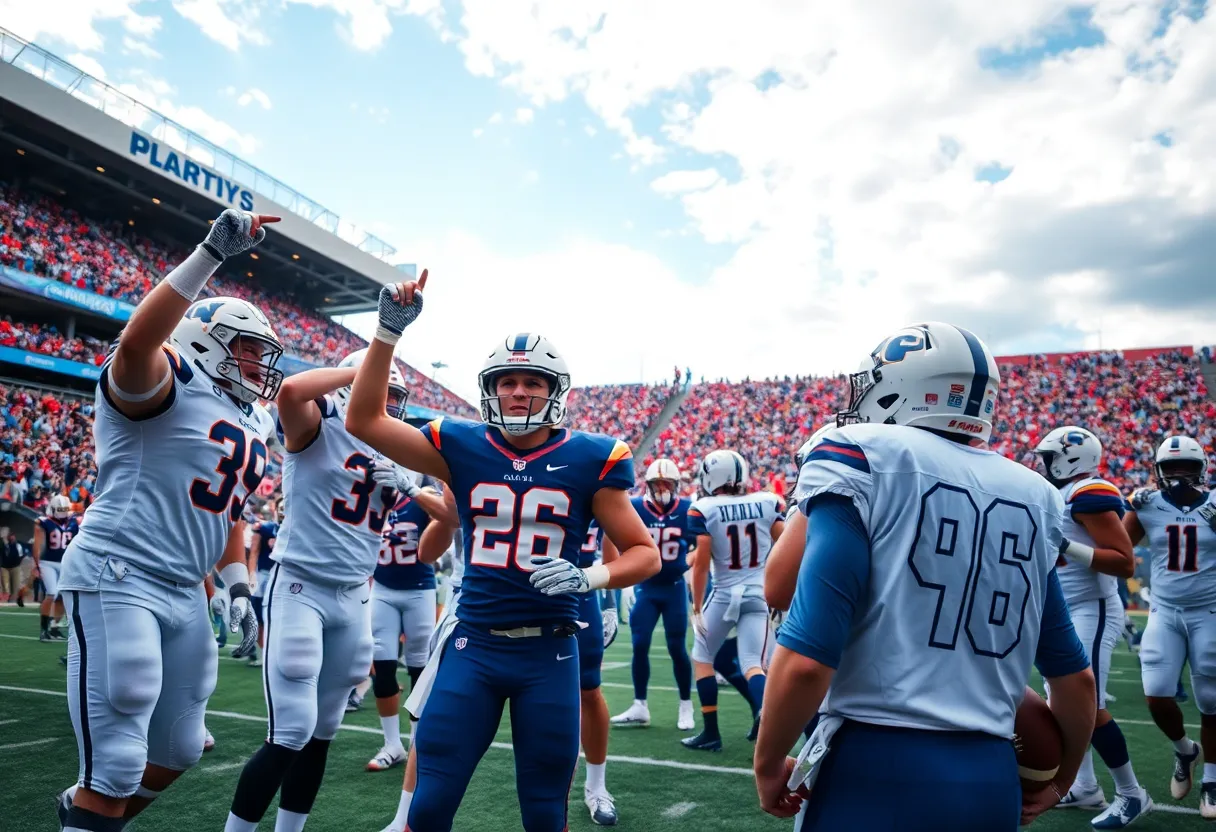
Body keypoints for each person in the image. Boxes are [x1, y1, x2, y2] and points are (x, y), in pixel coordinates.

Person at [344, 274, 660, 832]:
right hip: (475, 644)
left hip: (551, 652)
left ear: (554, 389)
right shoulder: (462, 445)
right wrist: (388, 332)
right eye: (507, 381)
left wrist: (590, 578)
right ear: (491, 389)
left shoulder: (592, 456)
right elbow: (364, 419)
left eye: (532, 382)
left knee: (543, 808)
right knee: (432, 799)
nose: (519, 392)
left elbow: (643, 553)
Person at [755, 322, 1096, 831]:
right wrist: (1062, 780)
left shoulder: (863, 455)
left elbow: (803, 652)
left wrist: (767, 764)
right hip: (991, 777)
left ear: (904, 389)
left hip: (873, 767)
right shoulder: (1038, 495)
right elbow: (1075, 679)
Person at [54, 209, 280, 832]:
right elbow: (135, 344)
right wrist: (211, 252)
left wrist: (237, 584)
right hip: (119, 572)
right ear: (207, 341)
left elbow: (226, 509)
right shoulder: (164, 377)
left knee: (179, 748)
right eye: (251, 350)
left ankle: (91, 817)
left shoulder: (250, 419)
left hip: (186, 589)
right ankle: (92, 807)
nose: (262, 365)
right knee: (120, 759)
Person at [224, 349, 410, 832]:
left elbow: (452, 502)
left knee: (322, 734)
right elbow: (289, 390)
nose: (388, 403)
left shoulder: (395, 448)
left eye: (394, 395)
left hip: (355, 596)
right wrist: (370, 366)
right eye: (381, 390)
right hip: (301, 586)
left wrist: (415, 486)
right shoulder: (318, 423)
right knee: (290, 732)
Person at [1032, 426, 1149, 828]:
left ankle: (1132, 794)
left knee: (1089, 705)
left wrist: (1064, 546)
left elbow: (1124, 561)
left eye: (1048, 458)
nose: (1043, 465)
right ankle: (1084, 787)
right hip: (1064, 608)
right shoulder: (1060, 494)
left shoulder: (1089, 491)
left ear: (1069, 458)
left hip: (1091, 608)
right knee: (1065, 702)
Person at [1124, 434, 1216, 818]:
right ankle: (1185, 751)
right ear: (1158, 472)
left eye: (1187, 468)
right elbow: (1118, 548)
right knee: (1157, 694)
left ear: (1202, 470)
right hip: (1164, 611)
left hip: (1209, 611)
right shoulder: (1146, 505)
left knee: (1211, 702)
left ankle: (1212, 778)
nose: (1179, 476)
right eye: (1171, 469)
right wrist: (1127, 503)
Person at [683, 449, 784, 751]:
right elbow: (788, 546)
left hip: (724, 594)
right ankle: (773, 724)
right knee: (754, 664)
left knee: (702, 658)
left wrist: (697, 605)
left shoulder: (704, 508)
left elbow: (701, 564)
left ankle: (711, 733)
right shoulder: (768, 501)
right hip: (758, 593)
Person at [366, 472, 457, 772]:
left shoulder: (420, 496)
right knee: (384, 665)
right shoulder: (370, 498)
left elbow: (445, 516)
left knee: (420, 667)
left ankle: (418, 743)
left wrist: (414, 491)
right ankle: (392, 743)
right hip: (382, 589)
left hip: (419, 589)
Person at [611, 459, 697, 731]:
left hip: (673, 588)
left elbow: (701, 547)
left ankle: (686, 704)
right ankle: (640, 705)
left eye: (666, 484)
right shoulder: (635, 507)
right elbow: (617, 541)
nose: (662, 488)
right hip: (645, 587)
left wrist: (687, 562)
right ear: (647, 485)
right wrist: (625, 580)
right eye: (657, 484)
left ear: (676, 485)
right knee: (639, 644)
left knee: (676, 647)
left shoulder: (687, 509)